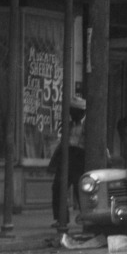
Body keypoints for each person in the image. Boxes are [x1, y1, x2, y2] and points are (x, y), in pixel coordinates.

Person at [50, 96, 87, 226]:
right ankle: (61, 218)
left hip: (80, 157)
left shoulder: (87, 125)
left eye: (76, 111)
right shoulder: (69, 124)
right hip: (67, 155)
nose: (73, 114)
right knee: (58, 187)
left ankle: (86, 216)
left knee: (81, 188)